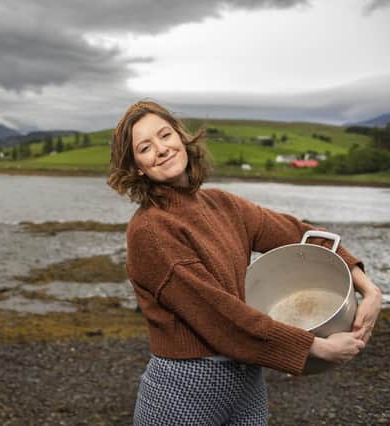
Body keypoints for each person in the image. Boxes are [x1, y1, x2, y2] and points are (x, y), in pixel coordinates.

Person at [107, 100, 382, 425]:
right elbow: (219, 314)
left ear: (181, 137)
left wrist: (367, 286)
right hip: (184, 388)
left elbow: (298, 233)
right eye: (145, 147)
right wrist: (315, 348)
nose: (162, 149)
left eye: (165, 135)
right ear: (137, 166)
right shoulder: (150, 230)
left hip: (247, 379)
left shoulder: (222, 204)